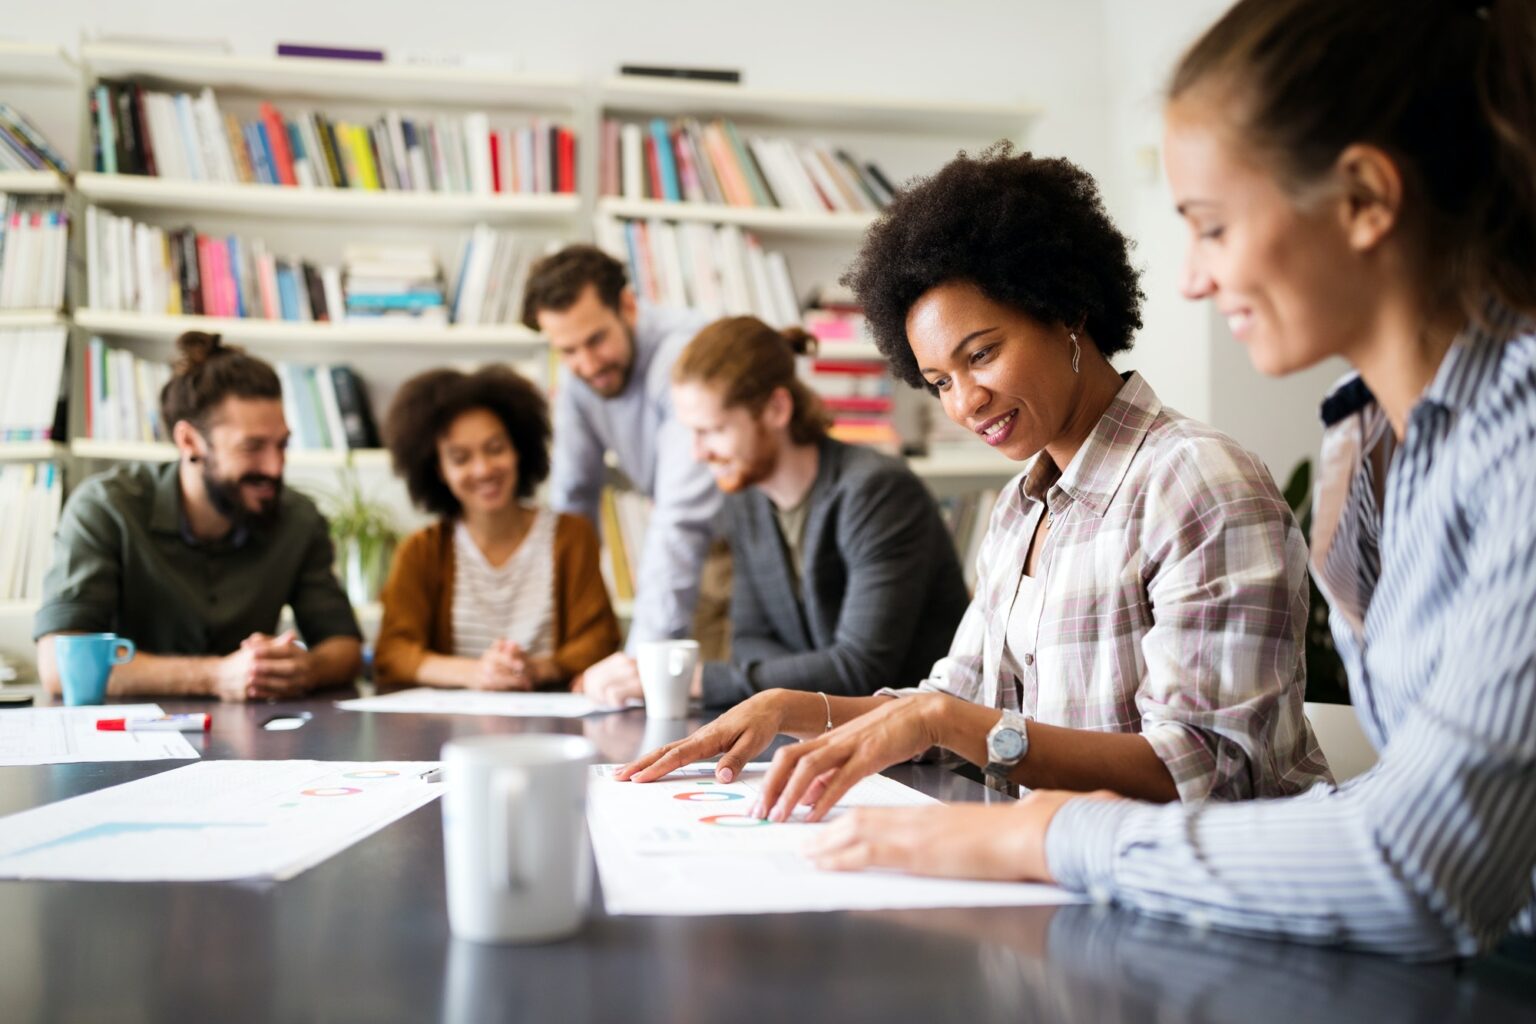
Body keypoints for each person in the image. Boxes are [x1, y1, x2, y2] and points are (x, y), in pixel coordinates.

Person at [795, 0, 1536, 961]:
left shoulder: (1485, 444)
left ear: (1363, 197)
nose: (1190, 279)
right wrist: (807, 713)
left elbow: (1421, 861)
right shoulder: (1367, 442)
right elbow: (1411, 810)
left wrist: (1045, 836)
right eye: (940, 380)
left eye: (1212, 226)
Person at [622, 148, 1328, 809]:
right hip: (1057, 860)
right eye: (939, 382)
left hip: (1206, 882)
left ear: (1065, 309)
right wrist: (788, 707)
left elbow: (1208, 768)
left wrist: (945, 720)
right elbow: (952, 702)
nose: (964, 403)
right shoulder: (1022, 507)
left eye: (982, 354)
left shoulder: (1197, 481)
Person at [587, 315, 969, 709]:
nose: (698, 453)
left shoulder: (877, 493)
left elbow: (859, 669)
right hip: (824, 730)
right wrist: (816, 668)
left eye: (713, 430)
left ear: (776, 408)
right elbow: (748, 641)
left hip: (918, 739)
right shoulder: (745, 500)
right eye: (692, 432)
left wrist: (696, 681)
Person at [33, 332, 362, 701]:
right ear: (189, 441)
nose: (275, 467)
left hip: (258, 730)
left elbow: (344, 646)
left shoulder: (299, 519)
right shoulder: (106, 508)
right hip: (125, 730)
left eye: (282, 444)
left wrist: (305, 669)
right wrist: (214, 676)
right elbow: (58, 666)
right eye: (252, 447)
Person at [523, 245, 725, 698]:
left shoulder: (685, 353)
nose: (587, 364)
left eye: (596, 340)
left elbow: (681, 518)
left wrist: (640, 664)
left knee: (706, 702)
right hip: (681, 544)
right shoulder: (581, 377)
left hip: (734, 549)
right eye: (568, 350)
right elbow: (573, 497)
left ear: (628, 306)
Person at [372, 366, 619, 690]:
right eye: (460, 458)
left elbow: (599, 640)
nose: (483, 469)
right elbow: (393, 653)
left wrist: (535, 669)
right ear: (439, 470)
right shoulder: (421, 551)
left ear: (518, 449)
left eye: (495, 448)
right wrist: (476, 673)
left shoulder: (571, 536)